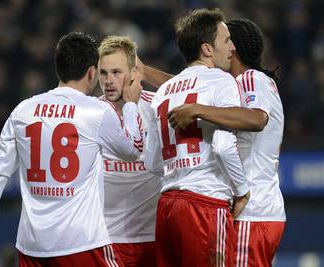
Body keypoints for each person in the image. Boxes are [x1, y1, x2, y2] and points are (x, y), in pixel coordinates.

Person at [0, 31, 144, 267]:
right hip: (82, 243)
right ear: (91, 72)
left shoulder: (23, 111)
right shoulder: (96, 112)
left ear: (58, 68)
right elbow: (132, 150)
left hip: (32, 247)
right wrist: (130, 106)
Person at [166, 19, 286, 267]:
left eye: (227, 40)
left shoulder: (250, 79)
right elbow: (189, 90)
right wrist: (147, 74)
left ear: (235, 49)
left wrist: (197, 109)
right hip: (259, 211)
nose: (225, 46)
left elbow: (256, 118)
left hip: (251, 212)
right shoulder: (243, 85)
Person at [143, 9, 250, 267]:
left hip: (167, 208)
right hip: (206, 205)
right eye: (226, 40)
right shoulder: (221, 82)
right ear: (207, 49)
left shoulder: (163, 92)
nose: (233, 47)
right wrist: (242, 192)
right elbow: (224, 146)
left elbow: (151, 162)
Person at [97, 35, 161, 267]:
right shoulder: (91, 114)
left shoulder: (158, 106)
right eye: (103, 73)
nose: (109, 81)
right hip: (108, 238)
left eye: (116, 72)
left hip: (155, 237)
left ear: (135, 72)